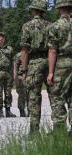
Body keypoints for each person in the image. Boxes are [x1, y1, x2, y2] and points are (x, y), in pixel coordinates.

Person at [20, 0, 50, 133]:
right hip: (49, 61)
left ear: (33, 10)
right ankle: (58, 128)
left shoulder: (27, 26)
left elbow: (24, 50)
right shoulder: (51, 26)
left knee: (34, 96)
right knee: (54, 96)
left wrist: (24, 70)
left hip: (34, 63)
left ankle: (34, 130)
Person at [47, 0, 72, 134]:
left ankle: (59, 129)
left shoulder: (55, 26)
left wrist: (50, 72)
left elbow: (52, 51)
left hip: (62, 63)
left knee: (57, 95)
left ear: (58, 9)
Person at [14, 52, 28, 117]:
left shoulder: (32, 54)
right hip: (21, 76)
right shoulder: (19, 55)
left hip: (30, 76)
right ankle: (21, 110)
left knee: (31, 94)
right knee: (21, 94)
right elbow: (15, 67)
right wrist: (16, 78)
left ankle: (30, 110)